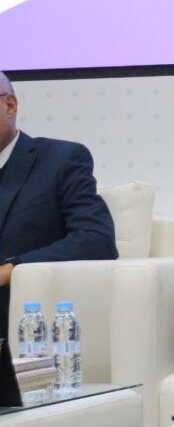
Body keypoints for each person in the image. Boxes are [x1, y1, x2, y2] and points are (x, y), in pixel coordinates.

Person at [0, 71, 117, 339]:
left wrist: (12, 269)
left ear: (10, 105)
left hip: (26, 326)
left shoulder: (60, 160)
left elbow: (96, 240)